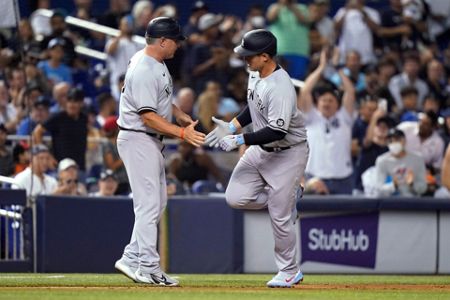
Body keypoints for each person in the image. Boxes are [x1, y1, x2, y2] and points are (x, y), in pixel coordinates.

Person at [206, 29, 308, 288]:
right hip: (261, 149)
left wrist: (240, 140)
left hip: (288, 153)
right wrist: (231, 127)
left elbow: (277, 130)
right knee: (235, 197)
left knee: (279, 216)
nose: (245, 60)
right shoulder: (255, 74)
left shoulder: (281, 85)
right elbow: (253, 108)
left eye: (249, 56)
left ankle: (289, 271)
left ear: (265, 56)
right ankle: (285, 199)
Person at [114, 17, 205, 287]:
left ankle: (132, 257)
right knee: (148, 205)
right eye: (175, 40)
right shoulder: (143, 68)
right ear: (162, 41)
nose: (178, 44)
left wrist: (178, 114)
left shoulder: (155, 63)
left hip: (147, 140)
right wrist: (182, 133)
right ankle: (148, 267)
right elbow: (148, 117)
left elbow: (159, 101)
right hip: (139, 137)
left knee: (158, 202)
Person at [33, 87, 88, 174]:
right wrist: (47, 156)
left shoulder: (83, 118)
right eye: (69, 101)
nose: (71, 105)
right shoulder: (58, 117)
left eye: (75, 101)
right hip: (61, 167)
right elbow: (37, 132)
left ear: (81, 103)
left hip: (79, 167)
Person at [373, 128, 427, 196]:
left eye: (397, 140)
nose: (394, 143)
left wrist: (412, 184)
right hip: (390, 203)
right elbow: (379, 190)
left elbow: (423, 188)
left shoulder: (417, 159)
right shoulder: (382, 161)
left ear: (404, 141)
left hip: (412, 202)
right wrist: (393, 185)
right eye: (390, 141)